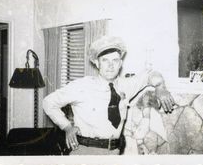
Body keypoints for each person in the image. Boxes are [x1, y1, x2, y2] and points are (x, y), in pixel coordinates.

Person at [43, 36, 174, 155]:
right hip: (85, 152)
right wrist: (67, 127)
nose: (110, 65)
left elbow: (149, 74)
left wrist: (160, 87)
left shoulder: (126, 85)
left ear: (120, 64)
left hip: (113, 153)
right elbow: (48, 103)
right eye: (105, 60)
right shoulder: (81, 86)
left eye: (115, 60)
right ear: (96, 63)